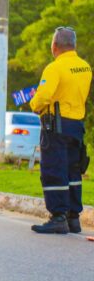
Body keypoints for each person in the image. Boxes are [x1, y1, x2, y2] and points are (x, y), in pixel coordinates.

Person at [29, 27, 92, 234]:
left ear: (54, 46)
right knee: (73, 171)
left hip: (55, 125)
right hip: (76, 125)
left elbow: (44, 97)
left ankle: (58, 217)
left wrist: (34, 103)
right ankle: (74, 218)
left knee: (54, 169)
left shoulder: (54, 68)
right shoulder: (85, 67)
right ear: (73, 45)